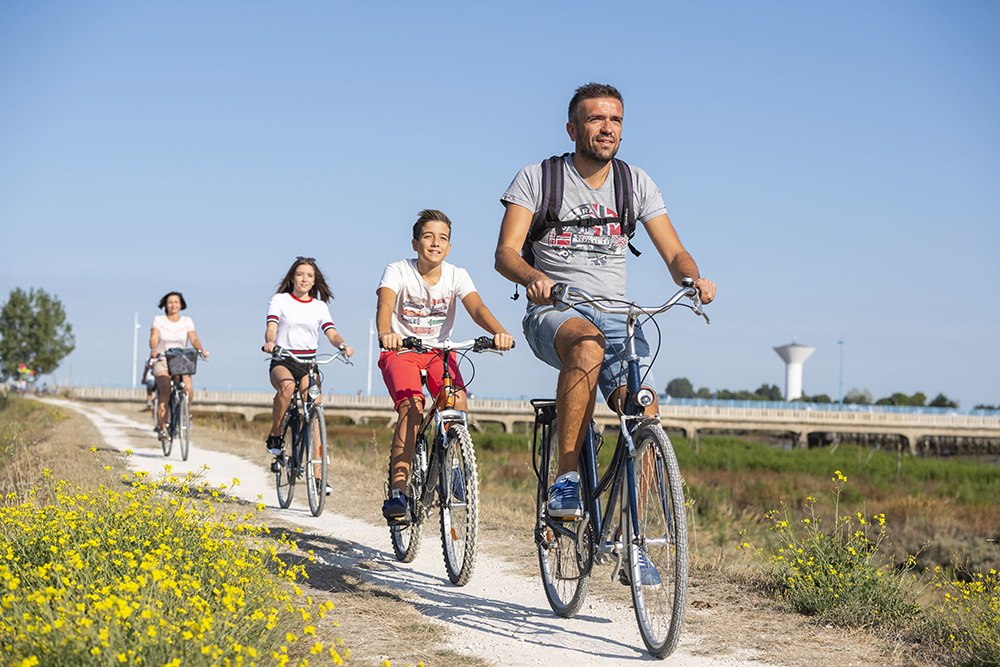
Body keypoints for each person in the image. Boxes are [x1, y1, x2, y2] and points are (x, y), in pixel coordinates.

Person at [494, 83, 716, 519]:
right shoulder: (539, 178)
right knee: (587, 344)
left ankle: (634, 539)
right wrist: (536, 278)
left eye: (615, 120)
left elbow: (673, 252)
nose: (606, 128)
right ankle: (568, 477)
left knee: (645, 409)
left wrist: (692, 279)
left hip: (617, 313)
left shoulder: (635, 183)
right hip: (556, 309)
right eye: (596, 119)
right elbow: (505, 253)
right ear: (573, 128)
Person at [377, 209, 514, 522]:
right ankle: (398, 491)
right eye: (428, 237)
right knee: (412, 407)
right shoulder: (397, 270)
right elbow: (385, 303)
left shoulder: (457, 275)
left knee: (456, 400)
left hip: (440, 352)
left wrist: (498, 332)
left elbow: (476, 307)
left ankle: (451, 466)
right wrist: (387, 332)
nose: (435, 243)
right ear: (415, 243)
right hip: (402, 351)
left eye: (443, 238)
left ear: (449, 247)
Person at [263, 257, 354, 494]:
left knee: (315, 410)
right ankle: (275, 436)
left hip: (308, 364)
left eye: (310, 276)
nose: (305, 279)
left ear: (314, 281)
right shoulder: (280, 300)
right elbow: (271, 326)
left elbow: (331, 333)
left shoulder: (319, 306)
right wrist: (270, 342)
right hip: (283, 359)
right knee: (287, 387)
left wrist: (342, 344)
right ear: (292, 277)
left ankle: (317, 477)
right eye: (301, 274)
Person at [150, 292, 209, 441]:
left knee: (187, 389)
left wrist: (200, 350)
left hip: (181, 359)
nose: (173, 305)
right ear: (165, 305)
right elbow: (154, 337)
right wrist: (154, 350)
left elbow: (193, 338)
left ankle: (183, 415)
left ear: (181, 304)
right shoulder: (159, 320)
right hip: (162, 359)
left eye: (176, 302)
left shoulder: (187, 321)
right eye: (170, 302)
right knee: (164, 389)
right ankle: (162, 429)